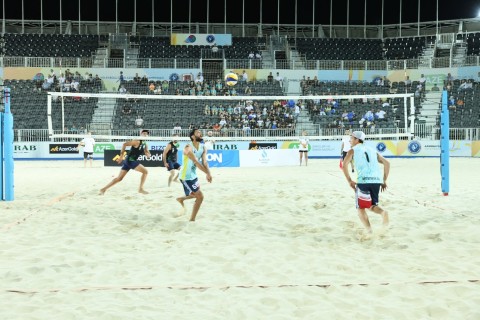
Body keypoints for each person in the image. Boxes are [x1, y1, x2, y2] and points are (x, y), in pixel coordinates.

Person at [342, 131, 390, 233]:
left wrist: (349, 181)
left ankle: (369, 231)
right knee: (370, 205)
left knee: (360, 208)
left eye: (351, 138)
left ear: (357, 139)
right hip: (377, 181)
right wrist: (384, 180)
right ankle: (383, 212)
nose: (350, 140)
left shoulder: (352, 151)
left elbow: (344, 165)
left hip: (364, 181)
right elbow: (387, 163)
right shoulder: (372, 150)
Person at [176, 129, 212, 221]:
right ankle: (192, 220)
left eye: (200, 132)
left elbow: (204, 161)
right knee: (200, 196)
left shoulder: (203, 147)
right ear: (193, 136)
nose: (200, 133)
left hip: (193, 175)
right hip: (185, 177)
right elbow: (196, 162)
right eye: (198, 132)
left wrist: (209, 173)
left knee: (195, 194)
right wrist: (207, 173)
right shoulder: (188, 147)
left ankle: (181, 199)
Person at [99, 129, 151, 195]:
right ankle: (140, 189)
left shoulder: (145, 143)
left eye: (146, 134)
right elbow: (124, 144)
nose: (145, 135)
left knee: (119, 178)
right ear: (141, 134)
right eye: (144, 133)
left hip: (128, 161)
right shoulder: (137, 141)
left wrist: (148, 155)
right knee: (145, 171)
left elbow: (147, 151)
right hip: (130, 161)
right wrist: (121, 156)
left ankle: (103, 189)